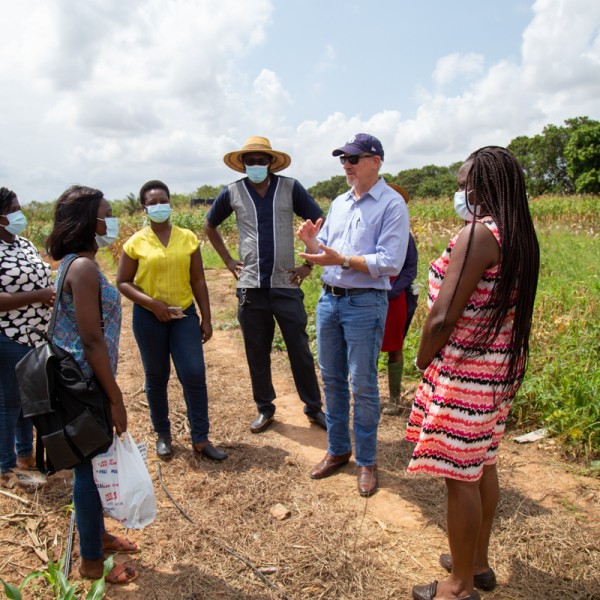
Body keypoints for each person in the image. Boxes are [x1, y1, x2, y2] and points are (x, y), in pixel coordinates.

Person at [406, 147, 540, 600]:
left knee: (459, 476)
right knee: (482, 464)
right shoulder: (517, 234)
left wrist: (424, 361)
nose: (459, 192)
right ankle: (476, 562)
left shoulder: (479, 234)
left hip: (468, 372)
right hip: (498, 369)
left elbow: (443, 317)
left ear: (485, 187)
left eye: (465, 185)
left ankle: (459, 586)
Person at [297, 133, 409, 497]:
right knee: (331, 378)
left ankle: (367, 460)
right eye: (342, 158)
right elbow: (327, 250)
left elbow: (390, 262)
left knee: (362, 383)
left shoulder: (392, 205)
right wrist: (312, 243)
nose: (346, 164)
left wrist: (341, 259)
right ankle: (338, 449)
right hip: (330, 300)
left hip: (364, 303)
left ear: (375, 161)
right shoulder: (340, 203)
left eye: (354, 158)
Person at [46, 185, 139, 585]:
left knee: (94, 463)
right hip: (84, 385)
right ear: (89, 220)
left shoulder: (76, 263)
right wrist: (115, 399)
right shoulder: (81, 269)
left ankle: (97, 536)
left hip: (83, 380)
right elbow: (91, 340)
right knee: (88, 470)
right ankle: (90, 562)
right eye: (107, 212)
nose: (112, 218)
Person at [204, 136, 326, 434]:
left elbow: (319, 221)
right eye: (250, 161)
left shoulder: (290, 187)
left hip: (286, 283)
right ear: (243, 164)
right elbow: (210, 224)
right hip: (250, 286)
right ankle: (265, 408)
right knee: (256, 350)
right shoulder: (232, 191)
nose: (256, 165)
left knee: (299, 348)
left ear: (271, 162)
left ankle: (313, 407)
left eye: (262, 160)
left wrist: (310, 263)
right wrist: (229, 261)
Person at [117, 180, 227, 461]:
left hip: (183, 315)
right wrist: (152, 304)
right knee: (156, 375)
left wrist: (206, 317)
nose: (158, 206)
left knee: (193, 373)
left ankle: (200, 438)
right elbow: (123, 282)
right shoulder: (135, 242)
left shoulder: (187, 238)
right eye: (152, 202)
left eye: (162, 200)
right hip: (148, 316)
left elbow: (198, 279)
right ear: (144, 207)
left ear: (170, 202)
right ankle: (163, 434)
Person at [0, 187, 55, 486]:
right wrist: (40, 294)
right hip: (8, 335)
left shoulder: (24, 243)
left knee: (26, 401)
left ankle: (25, 455)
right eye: (13, 209)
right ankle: (5, 467)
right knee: (8, 403)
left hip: (34, 335)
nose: (19, 214)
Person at [380, 183, 419, 416]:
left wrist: (392, 291)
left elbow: (409, 269)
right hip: (368, 294)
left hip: (395, 297)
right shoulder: (370, 231)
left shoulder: (406, 236)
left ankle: (394, 399)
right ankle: (368, 398)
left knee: (394, 347)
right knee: (366, 347)